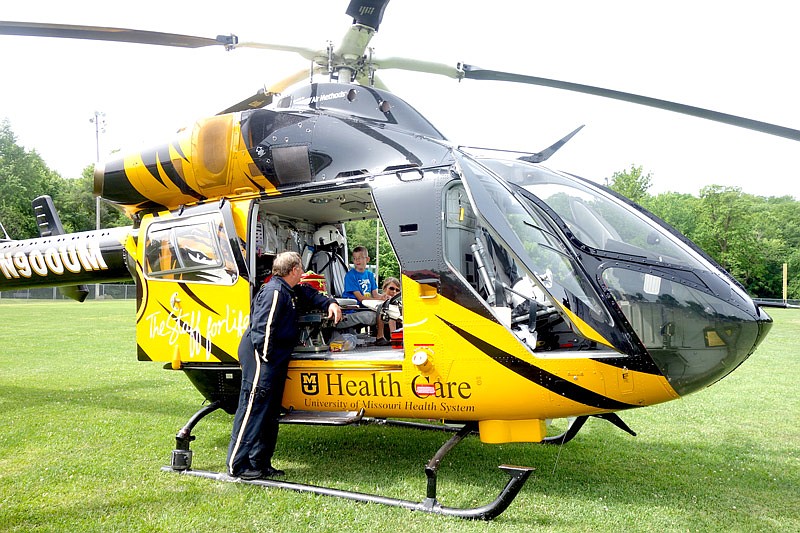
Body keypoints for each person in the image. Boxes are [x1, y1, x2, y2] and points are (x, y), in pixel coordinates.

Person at [227, 251, 342, 480]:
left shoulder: (290, 290)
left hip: (274, 360)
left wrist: (331, 303)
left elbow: (310, 294)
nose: (303, 273)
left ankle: (259, 463)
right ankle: (236, 465)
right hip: (262, 358)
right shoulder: (275, 292)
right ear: (294, 270)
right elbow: (263, 330)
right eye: (301, 269)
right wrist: (268, 361)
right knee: (253, 410)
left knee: (269, 414)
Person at [336, 246, 389, 344]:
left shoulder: (369, 275)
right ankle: (379, 337)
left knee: (386, 307)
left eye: (360, 258)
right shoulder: (350, 276)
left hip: (366, 306)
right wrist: (379, 300)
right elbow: (360, 298)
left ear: (367, 259)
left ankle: (390, 337)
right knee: (380, 310)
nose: (357, 261)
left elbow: (375, 294)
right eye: (355, 258)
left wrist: (383, 297)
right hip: (353, 309)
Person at [377, 277, 401, 344]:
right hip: (384, 317)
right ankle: (392, 337)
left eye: (397, 290)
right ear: (385, 288)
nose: (394, 291)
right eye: (391, 288)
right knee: (390, 312)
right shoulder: (380, 298)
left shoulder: (399, 300)